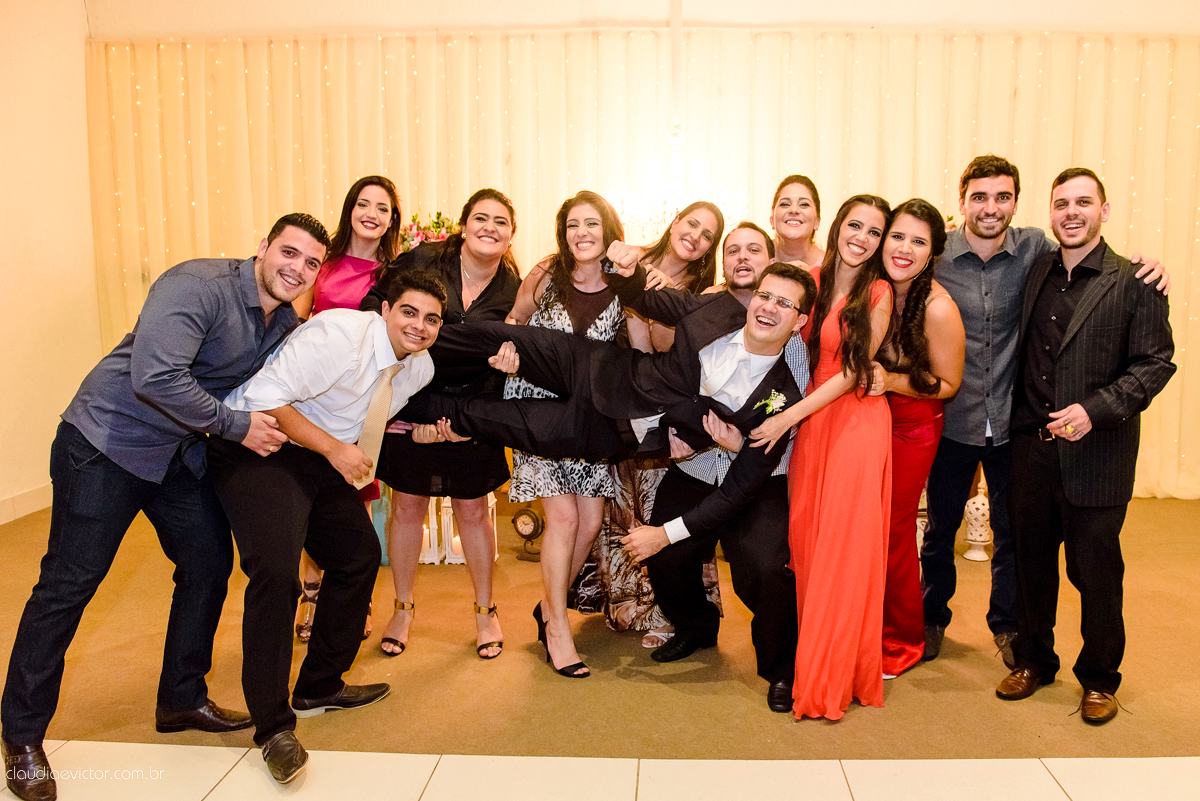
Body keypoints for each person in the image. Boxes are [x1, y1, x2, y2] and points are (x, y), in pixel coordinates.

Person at [1, 213, 328, 801]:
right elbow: (158, 377)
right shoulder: (195, 285)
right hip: (104, 445)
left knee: (207, 564)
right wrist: (237, 428)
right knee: (68, 585)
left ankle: (181, 698)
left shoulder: (282, 322)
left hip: (175, 456)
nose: (296, 270)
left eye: (310, 263)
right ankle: (21, 737)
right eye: (289, 252)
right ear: (262, 247)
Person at [922, 156, 1169, 666]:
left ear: (1017, 201)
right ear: (962, 199)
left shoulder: (1037, 250)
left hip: (1022, 428)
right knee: (942, 529)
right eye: (980, 196)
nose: (991, 208)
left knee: (1020, 540)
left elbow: (1147, 350)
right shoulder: (939, 254)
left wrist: (1153, 268)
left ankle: (1014, 631)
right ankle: (933, 620)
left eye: (1003, 197)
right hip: (956, 419)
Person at [210, 270, 447, 783]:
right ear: (385, 310)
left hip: (322, 458)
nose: (419, 326)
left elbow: (371, 415)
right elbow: (265, 398)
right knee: (277, 574)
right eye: (409, 312)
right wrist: (336, 451)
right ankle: (273, 728)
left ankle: (320, 684)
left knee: (358, 556)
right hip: (261, 444)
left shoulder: (419, 368)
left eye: (431, 319)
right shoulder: (340, 334)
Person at [995, 169, 1175, 725]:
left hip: (1097, 456)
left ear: (1104, 209)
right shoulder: (1034, 271)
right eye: (1061, 204)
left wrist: (1093, 411)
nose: (1071, 212)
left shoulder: (1134, 280)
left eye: (1083, 203)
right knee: (1031, 566)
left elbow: (1155, 363)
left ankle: (1099, 678)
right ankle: (1034, 659)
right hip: (1030, 448)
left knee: (1095, 571)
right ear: (1050, 213)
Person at [649, 221, 812, 712]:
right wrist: (671, 435)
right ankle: (696, 629)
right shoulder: (710, 331)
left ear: (800, 320)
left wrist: (743, 445)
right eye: (766, 297)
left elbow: (795, 429)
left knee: (763, 569)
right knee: (665, 552)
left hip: (761, 479)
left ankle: (781, 666)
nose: (770, 308)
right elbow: (667, 391)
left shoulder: (800, 360)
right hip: (698, 469)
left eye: (785, 304)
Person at [750, 195, 894, 720]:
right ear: (837, 226)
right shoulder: (810, 277)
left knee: (841, 549)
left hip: (852, 421)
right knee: (806, 544)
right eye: (855, 225)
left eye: (874, 232)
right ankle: (807, 657)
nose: (861, 238)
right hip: (811, 424)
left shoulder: (877, 292)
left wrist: (788, 418)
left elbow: (856, 370)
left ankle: (831, 674)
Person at [361, 188, 521, 659]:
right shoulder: (427, 259)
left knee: (473, 510)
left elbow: (518, 354)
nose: (489, 228)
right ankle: (403, 607)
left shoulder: (515, 288)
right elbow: (375, 306)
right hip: (415, 398)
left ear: (512, 235)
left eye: (500, 222)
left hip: (474, 410)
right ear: (463, 223)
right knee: (406, 505)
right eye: (480, 218)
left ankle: (486, 611)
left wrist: (479, 417)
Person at [502, 191, 628, 677]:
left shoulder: (623, 287)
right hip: (539, 409)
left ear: (608, 231)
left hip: (590, 417)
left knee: (590, 521)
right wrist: (507, 354)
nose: (582, 233)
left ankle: (547, 606)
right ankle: (557, 627)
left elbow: (634, 348)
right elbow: (514, 324)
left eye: (592, 224)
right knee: (565, 519)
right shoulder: (544, 275)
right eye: (573, 224)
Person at [594, 201, 725, 647]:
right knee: (617, 509)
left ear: (710, 249)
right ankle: (623, 605)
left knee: (655, 515)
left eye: (708, 235)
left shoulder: (696, 297)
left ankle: (664, 612)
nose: (696, 236)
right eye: (692, 224)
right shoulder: (629, 257)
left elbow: (658, 355)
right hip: (608, 401)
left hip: (656, 411)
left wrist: (648, 303)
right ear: (674, 222)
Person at [293, 175, 404, 643]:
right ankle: (312, 591)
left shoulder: (394, 273)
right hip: (313, 394)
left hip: (363, 402)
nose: (372, 214)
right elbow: (295, 321)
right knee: (305, 495)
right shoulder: (323, 261)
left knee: (353, 498)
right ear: (350, 209)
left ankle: (358, 597)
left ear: (392, 219)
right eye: (364, 204)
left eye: (382, 208)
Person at [867, 199, 964, 678]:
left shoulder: (939, 307)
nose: (904, 248)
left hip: (912, 427)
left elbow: (948, 385)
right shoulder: (873, 288)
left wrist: (891, 381)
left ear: (932, 254)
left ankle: (900, 638)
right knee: (862, 527)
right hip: (866, 421)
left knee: (892, 532)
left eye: (918, 241)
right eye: (897, 236)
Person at [770, 174, 824, 267]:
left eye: (803, 204)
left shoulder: (829, 266)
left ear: (817, 222)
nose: (794, 210)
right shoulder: (755, 260)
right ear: (772, 220)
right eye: (784, 204)